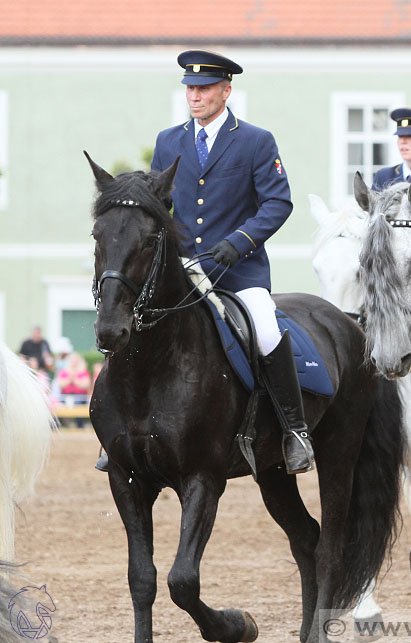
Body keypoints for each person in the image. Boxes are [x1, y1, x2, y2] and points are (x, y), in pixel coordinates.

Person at [97, 49, 313, 474]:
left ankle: (294, 431)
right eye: (190, 89)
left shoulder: (255, 140)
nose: (194, 97)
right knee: (132, 322)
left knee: (265, 329)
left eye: (204, 89)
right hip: (182, 271)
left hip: (239, 269)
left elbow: (277, 202)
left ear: (225, 91)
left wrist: (240, 242)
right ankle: (117, 430)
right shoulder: (168, 141)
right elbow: (158, 208)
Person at [56, 352, 92, 427]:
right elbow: (60, 384)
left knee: (79, 411)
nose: (73, 363)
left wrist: (74, 380)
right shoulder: (63, 371)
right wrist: (71, 380)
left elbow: (86, 384)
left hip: (80, 397)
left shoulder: (83, 372)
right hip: (65, 396)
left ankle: (80, 426)